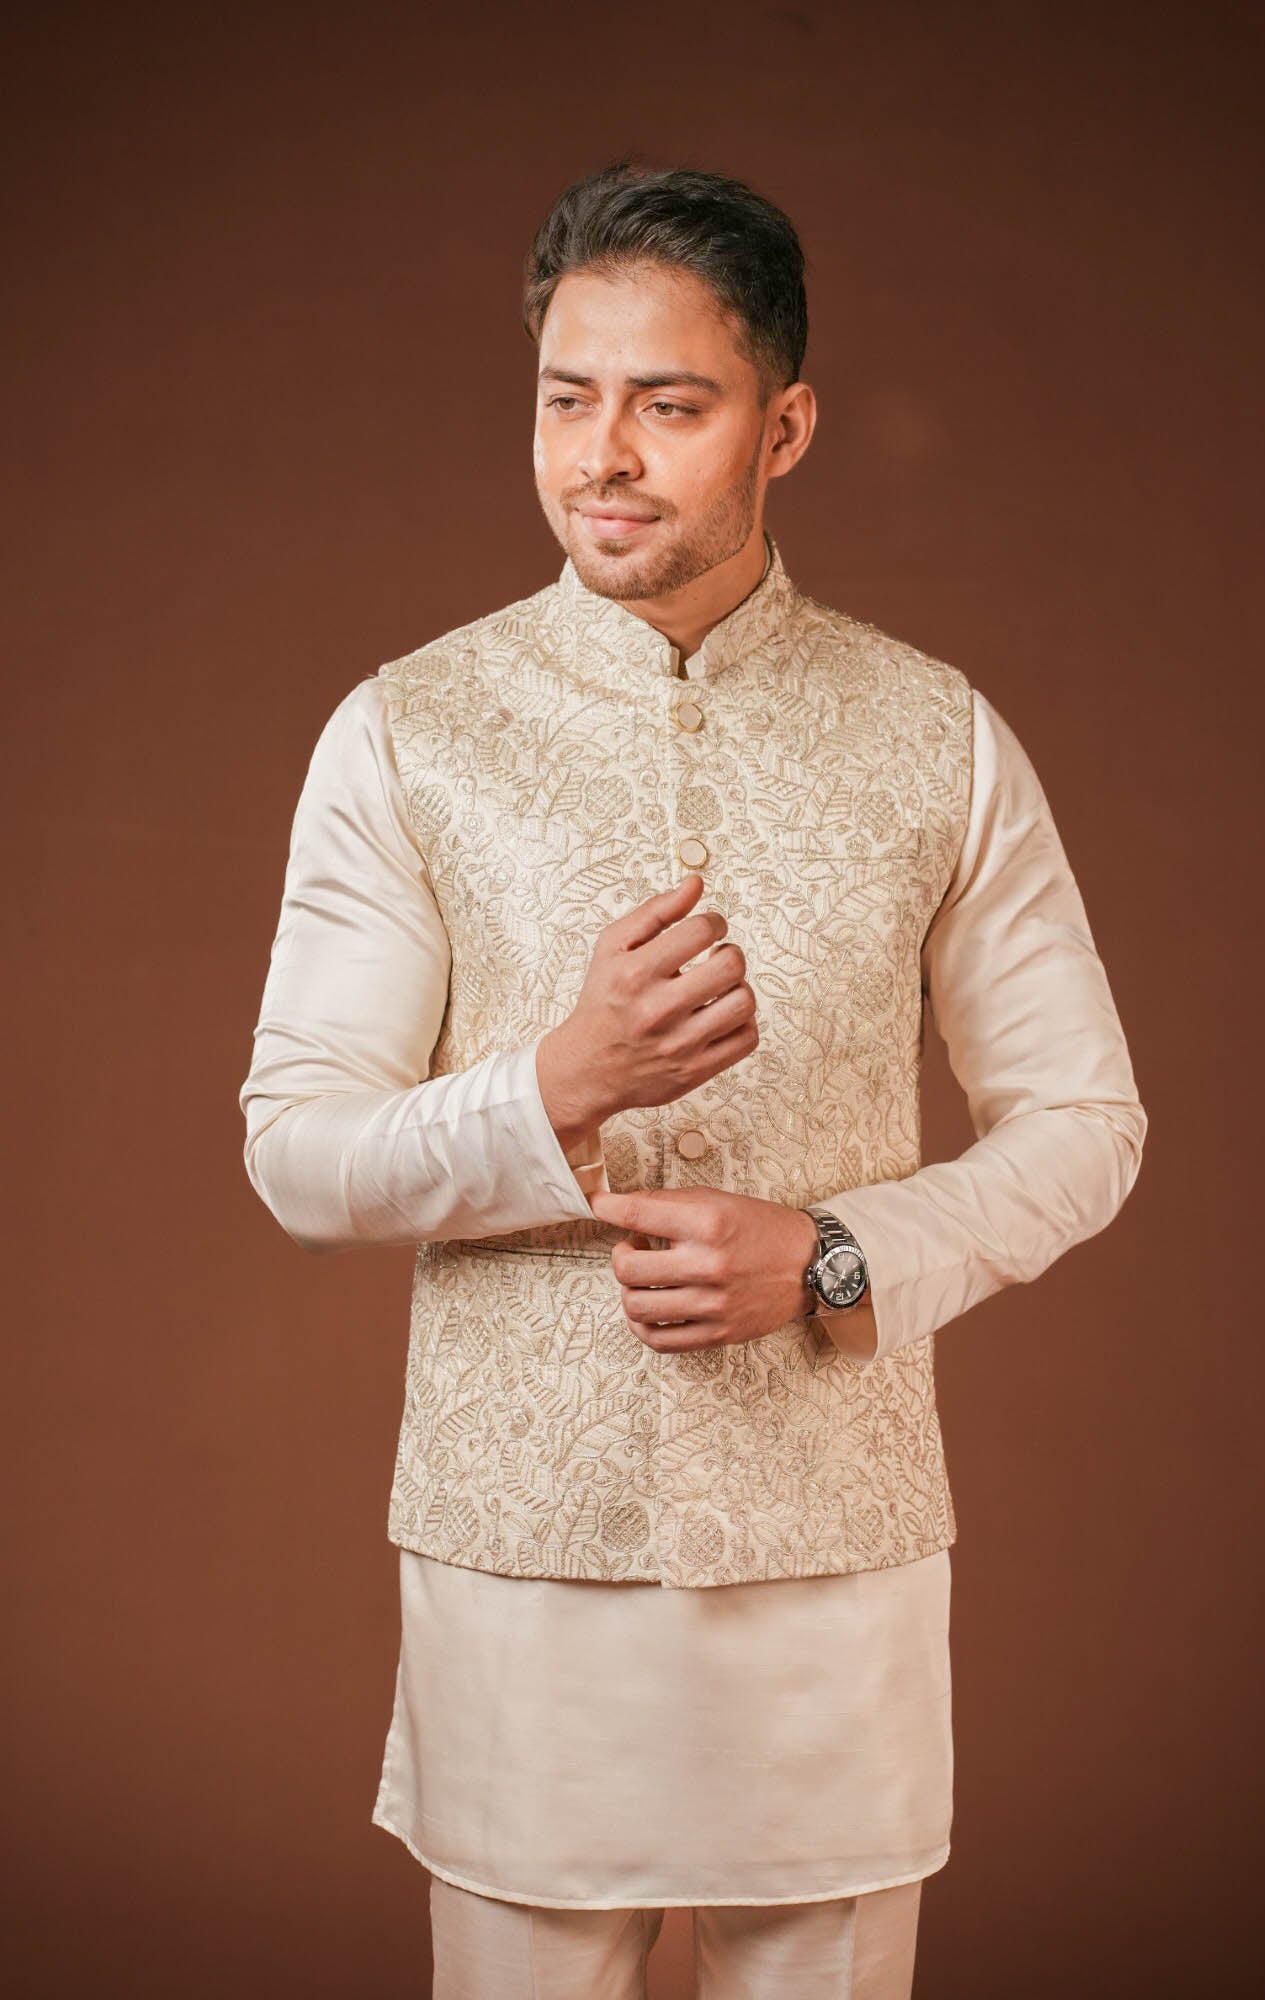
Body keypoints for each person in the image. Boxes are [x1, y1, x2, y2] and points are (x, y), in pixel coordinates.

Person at [239, 158, 1148, 1999]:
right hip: (521, 1560)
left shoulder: (934, 734)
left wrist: (832, 1256)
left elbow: (1084, 1124)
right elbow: (298, 1153)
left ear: (782, 426)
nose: (604, 456)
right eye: (567, 399)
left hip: (833, 1559)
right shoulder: (411, 730)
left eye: (669, 404)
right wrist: (550, 1088)